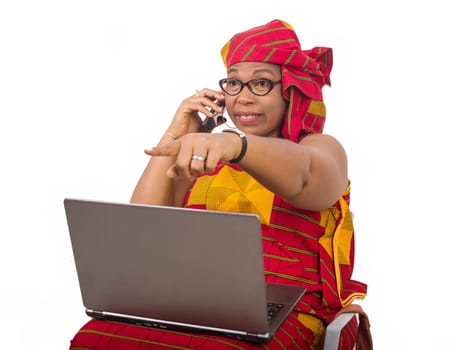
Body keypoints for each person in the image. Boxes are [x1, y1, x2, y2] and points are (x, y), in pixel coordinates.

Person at [69, 19, 369, 350]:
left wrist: (234, 145)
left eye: (261, 84)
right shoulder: (206, 158)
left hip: (290, 313)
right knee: (95, 338)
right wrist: (178, 130)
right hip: (200, 302)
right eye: (234, 83)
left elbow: (308, 179)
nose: (243, 98)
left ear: (290, 91)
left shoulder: (318, 148)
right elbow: (145, 232)